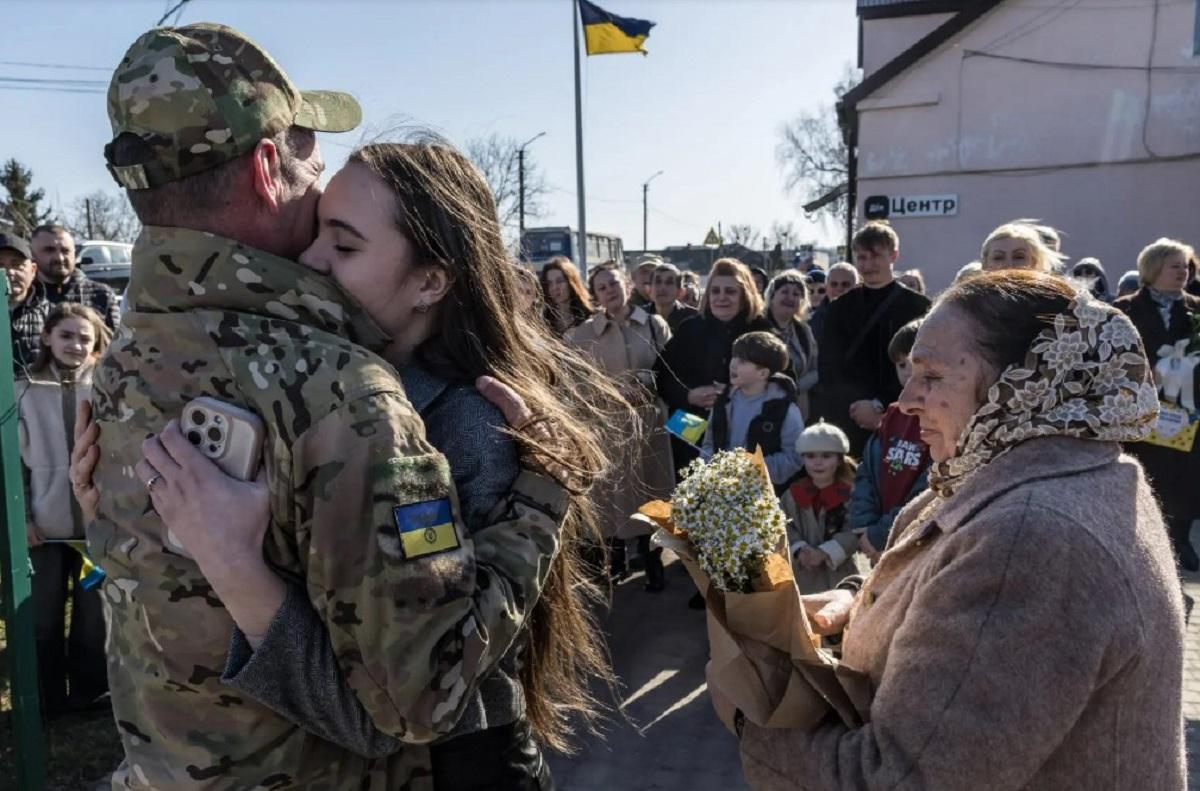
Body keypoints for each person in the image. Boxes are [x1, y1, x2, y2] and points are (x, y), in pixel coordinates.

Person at [89, 24, 619, 789]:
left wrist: (238, 569)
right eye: (311, 159)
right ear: (269, 166)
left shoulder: (128, 359)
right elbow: (416, 695)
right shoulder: (337, 392)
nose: (313, 256)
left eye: (345, 243)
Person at [739, 270, 1185, 790]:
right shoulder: (1037, 468)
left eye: (930, 376)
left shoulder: (1033, 537)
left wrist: (752, 708)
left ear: (1020, 385)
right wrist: (857, 603)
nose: (905, 400)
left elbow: (899, 779)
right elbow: (958, 583)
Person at [19, 304, 111, 716]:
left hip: (96, 530)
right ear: (47, 338)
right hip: (43, 528)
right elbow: (12, 463)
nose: (75, 345)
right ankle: (47, 700)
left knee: (95, 619)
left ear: (97, 346)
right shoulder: (22, 390)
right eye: (66, 336)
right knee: (42, 617)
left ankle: (90, 696)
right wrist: (22, 518)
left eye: (84, 339)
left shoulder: (110, 390)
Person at [568, 263, 674, 591]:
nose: (610, 290)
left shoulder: (654, 324)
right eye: (602, 287)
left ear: (627, 284)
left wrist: (646, 383)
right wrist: (609, 392)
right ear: (594, 294)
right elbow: (575, 384)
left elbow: (672, 370)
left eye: (614, 282)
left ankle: (653, 560)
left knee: (652, 492)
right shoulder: (582, 335)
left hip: (651, 422)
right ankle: (614, 562)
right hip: (609, 425)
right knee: (614, 498)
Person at [1115, 238, 1200, 572]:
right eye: (1174, 265)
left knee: (1186, 475)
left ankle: (1179, 540)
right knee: (1145, 472)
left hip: (1186, 411)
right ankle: (1141, 539)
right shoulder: (1126, 309)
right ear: (1153, 269)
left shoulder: (1196, 309)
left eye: (1186, 266)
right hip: (1142, 408)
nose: (1182, 272)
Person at [818, 222, 930, 455]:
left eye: (875, 256)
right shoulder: (839, 309)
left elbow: (923, 364)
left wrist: (881, 405)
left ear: (893, 255)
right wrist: (853, 411)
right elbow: (829, 368)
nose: (867, 265)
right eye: (861, 257)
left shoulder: (918, 307)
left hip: (904, 415)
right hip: (848, 419)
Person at [656, 257, 774, 476]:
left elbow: (783, 379)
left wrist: (737, 392)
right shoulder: (689, 329)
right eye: (715, 291)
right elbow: (661, 377)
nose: (721, 298)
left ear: (744, 295)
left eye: (730, 291)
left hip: (747, 426)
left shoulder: (762, 330)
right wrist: (688, 395)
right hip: (689, 424)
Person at [850, 319, 930, 563]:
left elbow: (930, 490)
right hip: (878, 541)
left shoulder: (944, 418)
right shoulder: (893, 414)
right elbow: (868, 472)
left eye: (915, 362)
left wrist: (882, 532)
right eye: (901, 364)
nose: (907, 372)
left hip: (914, 539)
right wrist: (863, 525)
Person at [701, 331, 804, 486]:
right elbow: (709, 442)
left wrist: (750, 469)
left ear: (763, 373)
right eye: (733, 357)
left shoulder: (783, 409)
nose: (733, 364)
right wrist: (712, 469)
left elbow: (795, 456)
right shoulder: (724, 401)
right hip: (721, 489)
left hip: (763, 493)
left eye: (742, 361)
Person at [780, 421, 859, 594]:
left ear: (839, 460)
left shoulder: (852, 494)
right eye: (810, 456)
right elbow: (783, 524)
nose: (817, 463)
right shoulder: (793, 494)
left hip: (840, 575)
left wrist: (825, 552)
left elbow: (855, 529)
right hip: (802, 575)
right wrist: (799, 549)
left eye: (826, 456)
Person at [29, 224, 121, 330]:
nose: (59, 258)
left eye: (65, 251)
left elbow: (118, 343)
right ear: (33, 255)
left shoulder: (102, 295)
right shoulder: (25, 297)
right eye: (49, 250)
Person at [763, 270, 818, 420]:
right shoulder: (758, 326)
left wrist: (794, 387)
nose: (790, 298)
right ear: (772, 297)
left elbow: (815, 369)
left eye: (796, 294)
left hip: (797, 411)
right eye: (785, 292)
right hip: (762, 409)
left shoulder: (804, 331)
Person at [0, 231, 47, 374]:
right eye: (0, 265)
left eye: (17, 265)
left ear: (33, 270)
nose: (9, 272)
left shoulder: (52, 316)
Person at [540, 255, 593, 336]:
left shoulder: (589, 315)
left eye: (560, 281)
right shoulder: (543, 319)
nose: (555, 287)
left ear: (571, 283)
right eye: (549, 283)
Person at [980, 222, 1063, 273]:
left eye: (1019, 257)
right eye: (998, 258)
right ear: (985, 264)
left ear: (1035, 261)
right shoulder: (971, 300)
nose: (1009, 265)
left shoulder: (1055, 300)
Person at [649, 261, 699, 331]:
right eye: (658, 282)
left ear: (680, 292)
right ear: (650, 289)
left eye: (669, 282)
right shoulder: (640, 315)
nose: (662, 287)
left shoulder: (693, 318)